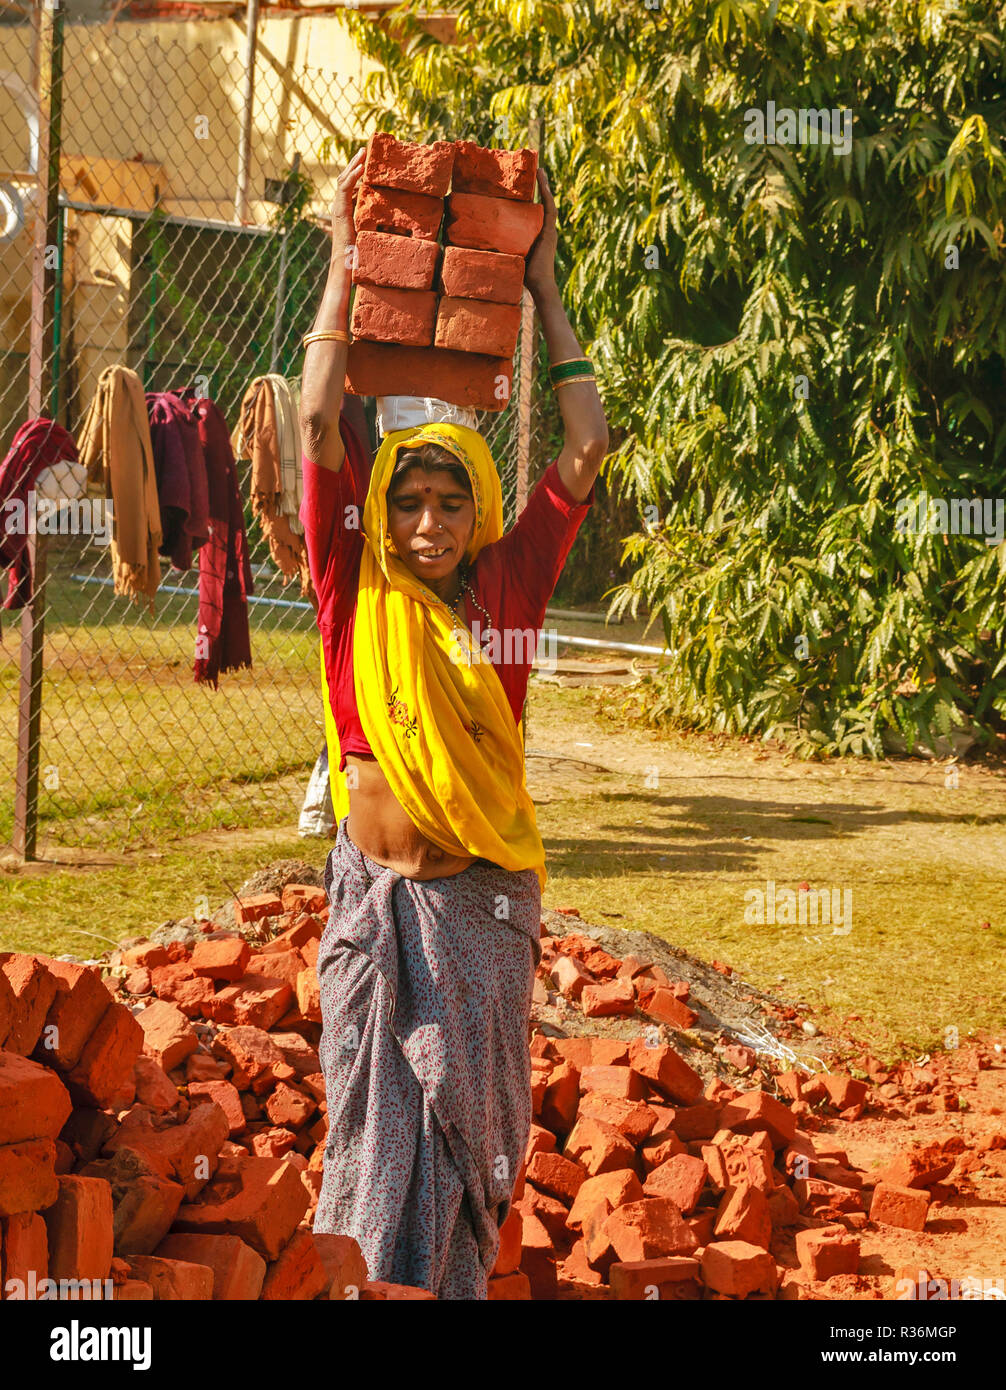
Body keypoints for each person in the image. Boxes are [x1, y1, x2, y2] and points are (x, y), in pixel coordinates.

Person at [298, 145, 608, 1299]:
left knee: (468, 1159)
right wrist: (343, 259)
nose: (428, 520)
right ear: (385, 508)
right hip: (372, 907)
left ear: (479, 507)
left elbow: (583, 447)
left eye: (450, 500)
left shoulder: (506, 583)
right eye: (410, 499)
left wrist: (544, 287)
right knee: (368, 1138)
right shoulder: (352, 587)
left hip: (474, 910)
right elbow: (323, 418)